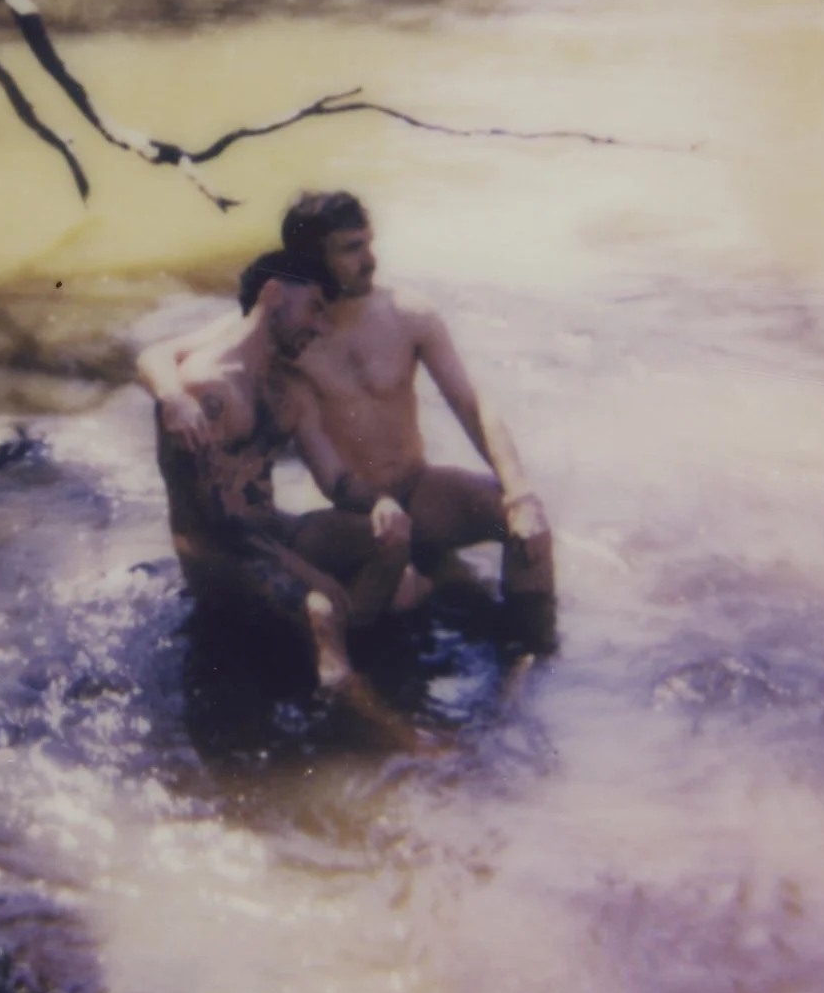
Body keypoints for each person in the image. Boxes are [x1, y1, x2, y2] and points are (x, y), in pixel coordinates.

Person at [136, 252, 423, 702]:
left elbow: (335, 480)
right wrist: (311, 575)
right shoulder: (206, 389)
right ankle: (385, 731)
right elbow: (219, 522)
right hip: (218, 557)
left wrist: (381, 504)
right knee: (321, 611)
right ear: (272, 295)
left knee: (395, 550)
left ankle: (340, 648)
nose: (321, 328)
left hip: (273, 534)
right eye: (314, 309)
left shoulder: (288, 390)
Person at [278, 188, 557, 646]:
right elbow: (185, 355)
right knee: (401, 599)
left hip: (418, 489)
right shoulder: (288, 339)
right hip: (353, 515)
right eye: (352, 249)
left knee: (531, 530)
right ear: (311, 259)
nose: (371, 260)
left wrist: (519, 493)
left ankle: (532, 657)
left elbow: (471, 404)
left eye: (369, 243)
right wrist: (173, 394)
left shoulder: (408, 314)